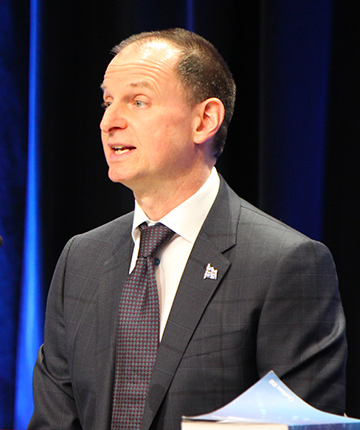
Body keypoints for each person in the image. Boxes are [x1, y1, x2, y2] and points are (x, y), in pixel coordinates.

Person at [28, 28, 347, 430]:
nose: (110, 122)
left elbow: (302, 426)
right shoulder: (81, 259)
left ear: (204, 120)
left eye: (138, 101)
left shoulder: (284, 264)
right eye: (108, 102)